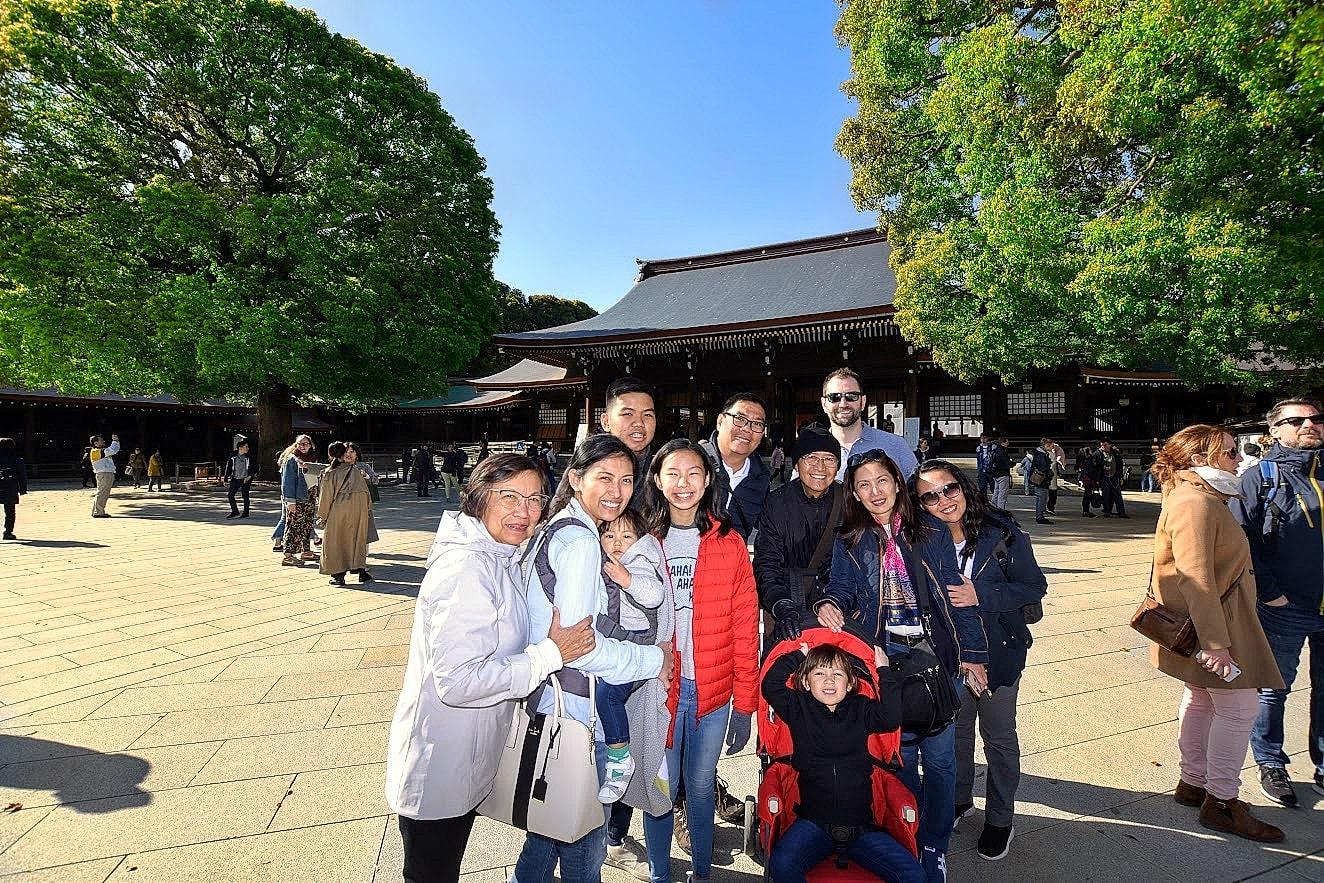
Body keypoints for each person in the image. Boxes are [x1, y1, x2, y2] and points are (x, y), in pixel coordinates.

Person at [385, 453, 598, 883]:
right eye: (509, 496)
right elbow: (459, 682)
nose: (524, 511)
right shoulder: (466, 568)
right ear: (480, 496)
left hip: (464, 756)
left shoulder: (498, 554)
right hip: (440, 763)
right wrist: (551, 655)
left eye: (535, 498)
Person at [815, 448, 988, 883]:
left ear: (897, 482)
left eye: (882, 480)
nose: (875, 491)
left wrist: (974, 655)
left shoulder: (930, 530)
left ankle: (935, 844)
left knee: (942, 759)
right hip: (886, 659)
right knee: (900, 757)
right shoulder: (850, 539)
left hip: (935, 656)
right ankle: (907, 835)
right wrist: (830, 604)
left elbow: (954, 594)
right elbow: (841, 588)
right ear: (853, 494)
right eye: (863, 485)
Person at [513, 434, 671, 883]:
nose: (616, 492)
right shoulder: (582, 542)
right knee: (585, 842)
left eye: (625, 480)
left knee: (545, 836)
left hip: (552, 700)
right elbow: (584, 647)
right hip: (578, 712)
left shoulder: (558, 526)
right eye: (604, 478)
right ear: (576, 478)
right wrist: (651, 661)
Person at [1149, 425, 1286, 841]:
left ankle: (1194, 782)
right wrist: (1216, 643)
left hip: (1211, 619)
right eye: (1227, 453)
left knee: (1202, 698)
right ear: (1197, 459)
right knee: (1240, 707)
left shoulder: (1196, 495)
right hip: (1217, 623)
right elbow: (1195, 577)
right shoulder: (1196, 501)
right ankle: (1222, 801)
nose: (1237, 458)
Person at [911, 460, 1047, 861]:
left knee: (1000, 737)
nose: (943, 500)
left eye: (949, 489)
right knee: (956, 734)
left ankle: (1001, 818)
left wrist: (981, 596)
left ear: (964, 487)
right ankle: (958, 800)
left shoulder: (1001, 533)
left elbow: (1034, 586)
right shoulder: (922, 539)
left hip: (998, 654)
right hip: (948, 657)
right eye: (930, 496)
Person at [640, 439, 759, 883]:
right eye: (672, 473)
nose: (683, 483)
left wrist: (745, 704)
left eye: (693, 473)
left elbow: (746, 627)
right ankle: (658, 874)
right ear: (656, 479)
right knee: (660, 789)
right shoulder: (643, 540)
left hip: (712, 690)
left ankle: (703, 873)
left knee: (703, 786)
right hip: (660, 689)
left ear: (708, 480)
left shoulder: (729, 542)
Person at [1230, 396, 1324, 808]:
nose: (1310, 425)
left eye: (1316, 418)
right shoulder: (1259, 478)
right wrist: (1271, 591)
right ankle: (1271, 760)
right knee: (1274, 687)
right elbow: (1242, 540)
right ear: (1274, 431)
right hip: (1286, 605)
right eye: (1297, 420)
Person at [763, 644, 925, 883]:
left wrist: (884, 672)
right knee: (782, 864)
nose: (829, 680)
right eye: (819, 673)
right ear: (806, 682)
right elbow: (770, 685)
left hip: (861, 827)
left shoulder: (861, 708)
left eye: (837, 674)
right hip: (814, 823)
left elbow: (891, 718)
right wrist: (798, 655)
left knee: (914, 875)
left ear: (849, 684)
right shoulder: (798, 707)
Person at [596, 508, 666, 802]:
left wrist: (628, 580)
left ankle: (619, 756)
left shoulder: (638, 561)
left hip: (637, 646)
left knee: (608, 696)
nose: (616, 542)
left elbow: (654, 595)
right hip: (619, 645)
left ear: (639, 540)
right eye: (609, 535)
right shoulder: (606, 561)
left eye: (626, 536)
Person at [754, 427, 843, 643]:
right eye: (810, 457)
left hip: (835, 607)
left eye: (829, 459)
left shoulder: (849, 501)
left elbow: (855, 564)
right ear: (796, 464)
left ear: (838, 466)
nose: (820, 467)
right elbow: (767, 562)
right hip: (785, 601)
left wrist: (834, 599)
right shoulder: (777, 503)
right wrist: (780, 604)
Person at [820, 368, 917, 480]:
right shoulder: (813, 451)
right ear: (824, 404)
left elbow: (917, 492)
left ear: (863, 401)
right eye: (834, 397)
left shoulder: (895, 446)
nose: (843, 404)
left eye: (851, 396)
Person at [700, 392, 772, 540]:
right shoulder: (693, 462)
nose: (747, 429)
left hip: (733, 560)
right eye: (739, 419)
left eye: (757, 424)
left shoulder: (761, 478)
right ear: (720, 421)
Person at [318, 441, 376, 586]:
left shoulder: (330, 473)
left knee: (336, 541)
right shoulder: (354, 470)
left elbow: (326, 498)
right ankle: (360, 570)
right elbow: (365, 491)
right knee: (357, 538)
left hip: (339, 508)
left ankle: (338, 574)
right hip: (360, 509)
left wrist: (322, 516)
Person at [279, 435, 320, 567]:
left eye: (306, 444)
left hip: (310, 495)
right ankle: (288, 555)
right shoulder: (292, 459)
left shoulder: (312, 458)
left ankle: (306, 551)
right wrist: (290, 501)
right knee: (293, 525)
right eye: (300, 444)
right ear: (296, 445)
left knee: (307, 524)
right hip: (297, 496)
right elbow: (287, 482)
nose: (303, 446)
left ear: (310, 445)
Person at [0, 438, 29, 541]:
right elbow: (22, 476)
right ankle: (8, 532)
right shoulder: (17, 460)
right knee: (10, 511)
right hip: (10, 487)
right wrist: (22, 489)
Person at [1093, 438, 1129, 518]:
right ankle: (1107, 511)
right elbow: (1094, 466)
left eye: (1105, 445)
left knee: (1117, 495)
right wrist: (1097, 478)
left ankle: (1121, 512)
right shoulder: (1097, 454)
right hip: (1103, 477)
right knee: (1105, 495)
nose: (1103, 447)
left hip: (1114, 476)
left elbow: (1119, 465)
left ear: (1109, 445)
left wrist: (1120, 477)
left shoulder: (1115, 453)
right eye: (1102, 445)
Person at [88, 433, 120, 518]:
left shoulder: (98, 451)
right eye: (101, 440)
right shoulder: (96, 451)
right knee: (103, 493)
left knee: (102, 492)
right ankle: (98, 512)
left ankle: (97, 510)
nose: (104, 441)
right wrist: (115, 441)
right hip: (104, 473)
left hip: (105, 473)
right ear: (96, 443)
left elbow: (112, 450)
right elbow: (113, 450)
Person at [224, 441, 257, 519]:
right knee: (230, 495)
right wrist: (225, 478)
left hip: (245, 479)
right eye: (246, 447)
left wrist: (249, 477)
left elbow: (255, 467)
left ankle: (246, 513)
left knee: (245, 496)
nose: (248, 448)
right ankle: (235, 511)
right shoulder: (233, 456)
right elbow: (229, 467)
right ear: (240, 448)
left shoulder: (249, 456)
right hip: (235, 479)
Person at [1028, 440, 1055, 524]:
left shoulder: (1040, 454)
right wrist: (1049, 471)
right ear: (1047, 445)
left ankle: (1040, 515)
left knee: (1041, 498)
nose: (1052, 447)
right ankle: (1040, 517)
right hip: (1041, 479)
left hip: (1041, 479)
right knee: (1041, 498)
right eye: (1051, 445)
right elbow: (1043, 468)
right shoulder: (1041, 455)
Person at [1076, 445, 1101, 518]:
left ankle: (1086, 511)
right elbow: (1091, 471)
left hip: (1085, 479)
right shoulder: (1088, 461)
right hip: (1089, 479)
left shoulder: (1082, 460)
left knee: (1087, 495)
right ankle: (1086, 511)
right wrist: (1096, 479)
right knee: (1087, 495)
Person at [988, 437, 1012, 510]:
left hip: (995, 474)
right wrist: (1012, 463)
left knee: (996, 493)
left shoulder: (994, 451)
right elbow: (1007, 464)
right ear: (1003, 443)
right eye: (1007, 442)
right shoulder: (1003, 452)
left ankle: (993, 508)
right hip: (1003, 474)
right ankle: (1000, 511)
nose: (1008, 444)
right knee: (1002, 494)